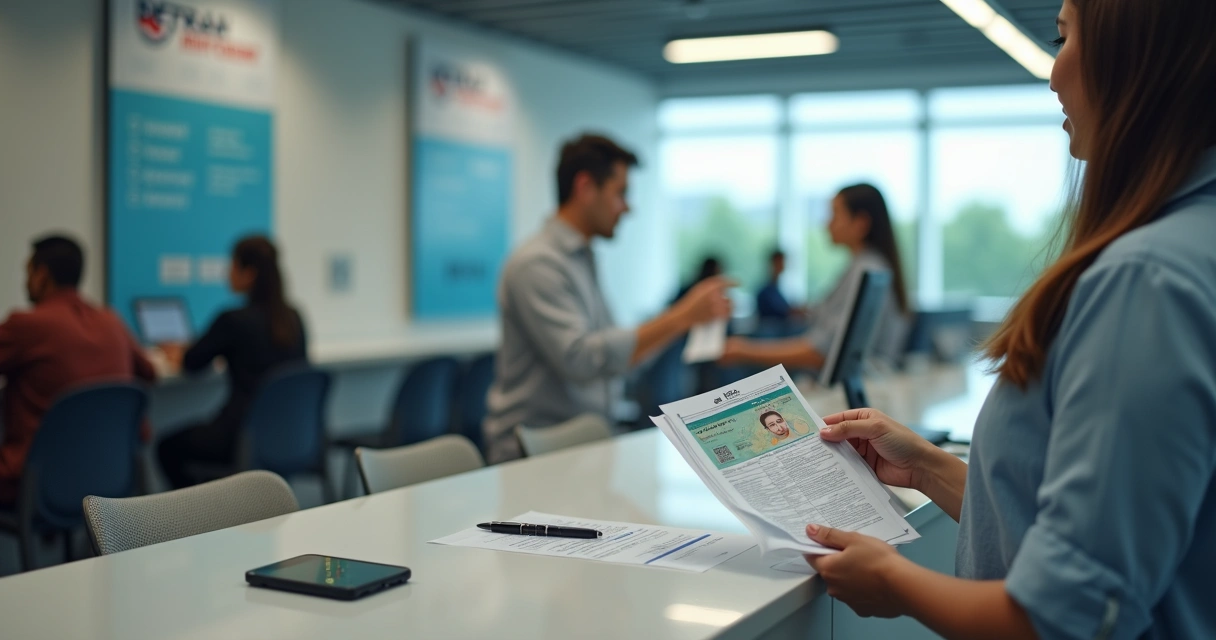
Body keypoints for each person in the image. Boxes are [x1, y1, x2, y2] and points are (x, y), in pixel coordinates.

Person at [800, 1, 1216, 638]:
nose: (1053, 72)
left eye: (1065, 35)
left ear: (1135, 55)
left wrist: (894, 581)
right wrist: (929, 467)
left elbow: (1069, 614)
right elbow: (1092, 531)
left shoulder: (1146, 278)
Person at [484, 134, 732, 464]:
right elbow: (580, 359)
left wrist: (685, 320)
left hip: (578, 450)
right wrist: (680, 316)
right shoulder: (538, 264)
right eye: (621, 193)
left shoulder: (581, 259)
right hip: (534, 455)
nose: (628, 207)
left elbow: (616, 358)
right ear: (586, 187)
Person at [0, 235, 155, 503]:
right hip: (108, 476)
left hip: (36, 483)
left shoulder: (26, 325)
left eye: (28, 272)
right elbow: (150, 374)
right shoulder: (111, 320)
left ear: (41, 275)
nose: (26, 282)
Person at [157, 236, 307, 489]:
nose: (228, 272)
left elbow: (192, 364)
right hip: (286, 434)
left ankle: (194, 519)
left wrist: (179, 353)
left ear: (248, 274)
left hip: (238, 437)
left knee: (166, 448)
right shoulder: (293, 318)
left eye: (232, 265)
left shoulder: (233, 320)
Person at [719, 184, 910, 371]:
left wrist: (745, 350)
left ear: (860, 223)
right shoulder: (869, 265)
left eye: (835, 214)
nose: (827, 223)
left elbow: (824, 350)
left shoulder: (865, 270)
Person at [755, 250, 793, 319]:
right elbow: (781, 311)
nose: (782, 265)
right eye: (779, 262)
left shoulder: (777, 289)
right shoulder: (765, 292)